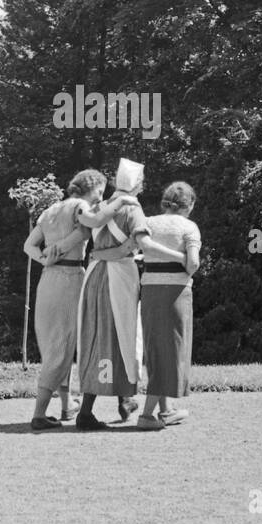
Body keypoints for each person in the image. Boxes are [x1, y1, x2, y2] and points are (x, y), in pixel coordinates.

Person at [74, 159, 186, 430]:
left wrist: (100, 253)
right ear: (138, 184)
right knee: (123, 335)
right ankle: (123, 402)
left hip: (94, 274)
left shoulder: (99, 206)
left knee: (97, 336)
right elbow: (139, 244)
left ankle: (100, 405)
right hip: (119, 276)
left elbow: (90, 239)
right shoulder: (133, 209)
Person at [21, 170, 132, 431]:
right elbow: (87, 230)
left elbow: (28, 245)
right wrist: (120, 202)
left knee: (56, 343)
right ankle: (39, 413)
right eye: (100, 193)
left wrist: (46, 256)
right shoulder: (81, 206)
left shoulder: (51, 210)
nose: (100, 199)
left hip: (47, 278)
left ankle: (65, 405)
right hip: (70, 277)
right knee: (64, 343)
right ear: (90, 187)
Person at [137, 181, 201, 430]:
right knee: (171, 349)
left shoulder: (149, 222)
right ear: (190, 204)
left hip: (150, 291)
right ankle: (146, 415)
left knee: (157, 347)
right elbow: (193, 263)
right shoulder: (190, 227)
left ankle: (166, 411)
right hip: (177, 292)